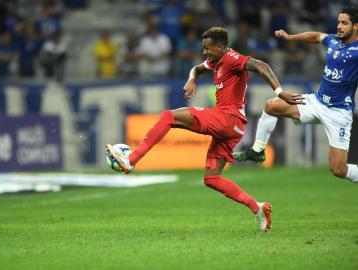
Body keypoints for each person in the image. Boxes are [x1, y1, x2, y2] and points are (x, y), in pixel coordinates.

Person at [106, 27, 305, 232]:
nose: (204, 52)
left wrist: (279, 92)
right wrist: (192, 78)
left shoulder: (231, 58)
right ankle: (258, 208)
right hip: (234, 127)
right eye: (203, 48)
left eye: (207, 48)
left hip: (227, 118)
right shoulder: (215, 61)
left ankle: (131, 160)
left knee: (168, 116)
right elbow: (198, 68)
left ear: (220, 46)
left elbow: (262, 65)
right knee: (212, 178)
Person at [234, 6, 358, 184]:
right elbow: (316, 36)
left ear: (356, 26)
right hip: (317, 101)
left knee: (338, 169)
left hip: (338, 113)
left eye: (344, 23)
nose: (339, 26)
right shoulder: (333, 41)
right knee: (272, 106)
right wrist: (291, 37)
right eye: (338, 22)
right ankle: (257, 151)